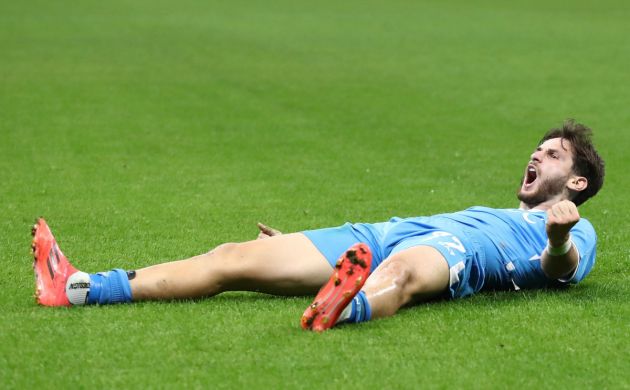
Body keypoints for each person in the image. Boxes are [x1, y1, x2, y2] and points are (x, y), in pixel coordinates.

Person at [31, 119, 605, 332]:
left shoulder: (575, 228)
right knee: (233, 257)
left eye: (552, 154)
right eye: (537, 148)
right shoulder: (502, 208)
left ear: (577, 182)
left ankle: (343, 305)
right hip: (379, 235)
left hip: (456, 253)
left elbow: (563, 272)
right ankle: (77, 288)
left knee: (402, 273)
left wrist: (556, 240)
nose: (536, 155)